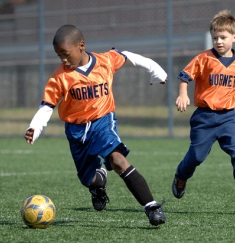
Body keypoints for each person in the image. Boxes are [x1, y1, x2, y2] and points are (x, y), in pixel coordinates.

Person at [24, 24, 167, 225]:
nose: (63, 60)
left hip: (102, 120)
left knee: (117, 160)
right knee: (88, 179)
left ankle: (152, 207)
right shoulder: (60, 77)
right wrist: (34, 127)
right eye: (59, 56)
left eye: (66, 54)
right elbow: (47, 105)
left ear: (81, 45)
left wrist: (157, 72)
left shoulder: (105, 61)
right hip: (76, 130)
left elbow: (128, 56)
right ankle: (99, 182)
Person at [172, 10, 235, 207]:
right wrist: (183, 94)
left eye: (223, 37)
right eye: (215, 38)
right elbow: (185, 76)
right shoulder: (204, 59)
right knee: (197, 156)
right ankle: (181, 176)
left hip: (229, 116)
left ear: (234, 37)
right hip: (205, 117)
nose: (218, 41)